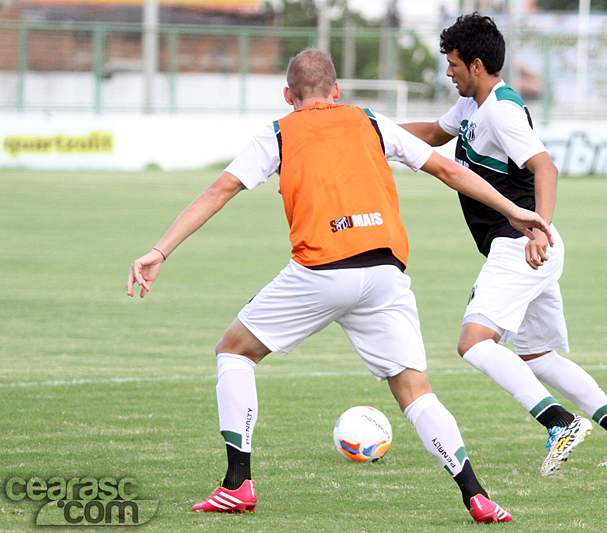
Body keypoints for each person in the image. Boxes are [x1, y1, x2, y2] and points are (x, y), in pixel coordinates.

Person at [126, 49, 557, 523]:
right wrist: (514, 210)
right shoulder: (369, 121)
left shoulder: (278, 132)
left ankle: (237, 485)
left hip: (320, 271)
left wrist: (159, 250)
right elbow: (448, 169)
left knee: (234, 351)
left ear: (288, 96)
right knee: (416, 392)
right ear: (336, 91)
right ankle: (476, 495)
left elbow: (218, 191)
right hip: (385, 276)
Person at [401, 14, 607, 475]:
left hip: (521, 245)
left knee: (474, 343)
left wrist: (538, 229)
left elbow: (546, 167)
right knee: (537, 355)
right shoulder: (472, 107)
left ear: (477, 65)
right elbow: (434, 134)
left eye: (453, 64)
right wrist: (370, 131)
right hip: (530, 248)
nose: (448, 72)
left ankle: (558, 422)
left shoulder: (500, 110)